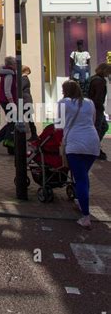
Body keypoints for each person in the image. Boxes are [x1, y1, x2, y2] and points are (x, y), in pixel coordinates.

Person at [57, 80, 100, 229]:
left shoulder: (63, 103)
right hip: (93, 143)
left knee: (80, 178)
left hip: (75, 143)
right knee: (83, 176)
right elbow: (93, 121)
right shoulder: (89, 102)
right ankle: (82, 203)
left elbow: (59, 124)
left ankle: (86, 216)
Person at [0, 56, 17, 152]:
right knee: (12, 122)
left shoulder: (11, 74)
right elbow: (7, 90)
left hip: (7, 101)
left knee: (12, 122)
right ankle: (8, 143)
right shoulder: (9, 75)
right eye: (15, 64)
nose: (16, 65)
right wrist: (12, 102)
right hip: (7, 102)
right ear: (11, 65)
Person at [88, 63, 110, 161]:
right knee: (98, 128)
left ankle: (94, 147)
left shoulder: (93, 78)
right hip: (97, 109)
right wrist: (100, 108)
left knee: (102, 127)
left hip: (92, 107)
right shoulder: (99, 82)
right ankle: (94, 149)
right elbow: (98, 98)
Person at [22, 66, 38, 141]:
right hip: (26, 101)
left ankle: (34, 135)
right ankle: (34, 134)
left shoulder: (24, 79)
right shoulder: (24, 79)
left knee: (29, 119)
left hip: (25, 102)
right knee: (29, 119)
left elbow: (19, 88)